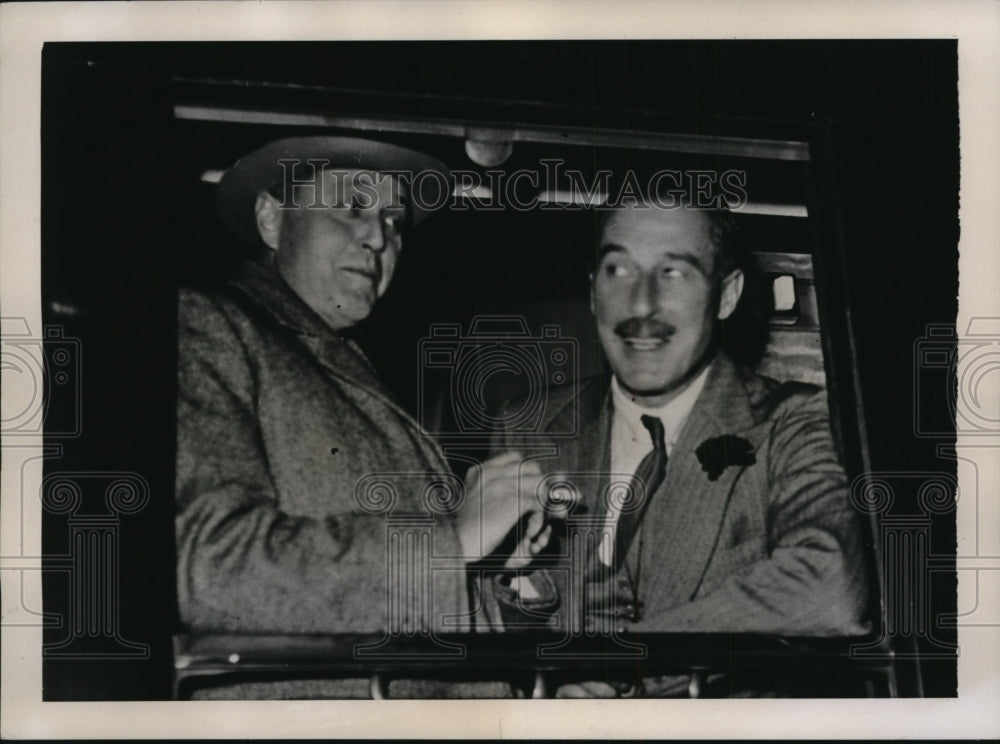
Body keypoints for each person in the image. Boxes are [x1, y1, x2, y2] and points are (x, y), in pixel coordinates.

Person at [174, 137, 542, 698]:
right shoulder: (209, 327)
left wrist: (497, 574)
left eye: (394, 219)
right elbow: (210, 569)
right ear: (273, 220)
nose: (379, 237)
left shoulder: (344, 360)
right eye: (352, 208)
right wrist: (453, 542)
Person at [484, 198, 871, 696]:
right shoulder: (525, 426)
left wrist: (623, 666)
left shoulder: (792, 422)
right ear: (594, 292)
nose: (641, 305)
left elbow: (830, 588)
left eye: (674, 273)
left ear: (726, 296)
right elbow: (486, 614)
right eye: (618, 269)